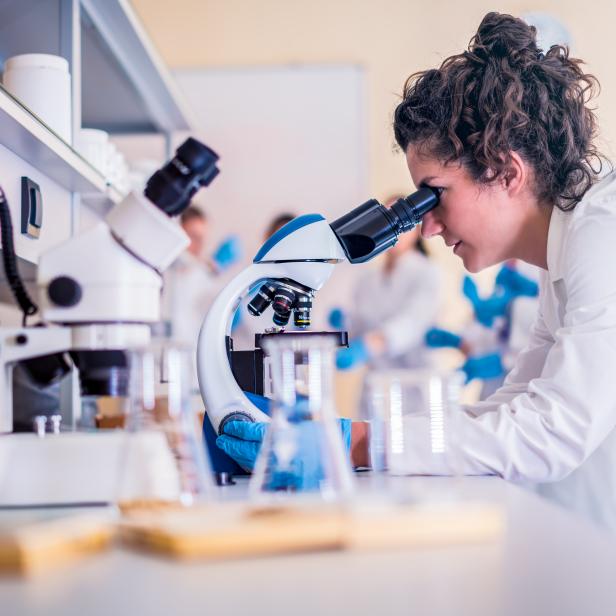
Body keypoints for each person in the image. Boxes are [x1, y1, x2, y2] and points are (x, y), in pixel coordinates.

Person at [217, 13, 616, 530]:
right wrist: (355, 434)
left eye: (435, 194)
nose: (426, 227)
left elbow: (554, 431)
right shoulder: (568, 244)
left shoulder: (601, 231)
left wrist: (354, 442)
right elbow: (512, 406)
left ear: (507, 171)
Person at [331, 197, 441, 416]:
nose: (395, 228)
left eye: (401, 222)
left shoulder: (426, 272)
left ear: (415, 228)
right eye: (387, 220)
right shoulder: (367, 279)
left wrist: (368, 346)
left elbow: (411, 323)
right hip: (374, 390)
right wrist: (345, 325)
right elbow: (361, 327)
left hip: (412, 387)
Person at [162, 206, 242, 348]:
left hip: (191, 355)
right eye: (193, 236)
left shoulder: (203, 276)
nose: (198, 245)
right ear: (178, 232)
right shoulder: (163, 270)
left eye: (201, 238)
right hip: (163, 350)